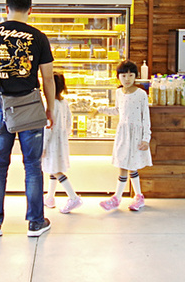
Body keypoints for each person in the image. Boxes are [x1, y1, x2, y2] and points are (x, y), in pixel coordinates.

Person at [0, 0, 56, 237]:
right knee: (32, 165)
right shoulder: (38, 37)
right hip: (30, 108)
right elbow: (48, 78)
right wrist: (50, 108)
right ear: (30, 10)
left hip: (2, 106)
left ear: (6, 8)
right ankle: (35, 222)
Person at [95, 60, 151, 212]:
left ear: (136, 76)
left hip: (136, 135)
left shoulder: (141, 94)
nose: (127, 79)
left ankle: (118, 198)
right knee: (126, 165)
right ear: (118, 77)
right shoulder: (119, 92)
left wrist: (146, 138)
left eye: (131, 75)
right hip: (122, 134)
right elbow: (117, 110)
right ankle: (137, 196)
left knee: (127, 166)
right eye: (124, 75)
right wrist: (100, 110)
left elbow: (145, 117)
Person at [42, 71, 82, 214]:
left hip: (51, 142)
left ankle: (73, 197)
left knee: (55, 170)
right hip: (61, 141)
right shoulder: (64, 102)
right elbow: (69, 122)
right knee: (53, 168)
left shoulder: (48, 105)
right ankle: (50, 197)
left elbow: (47, 128)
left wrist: (42, 147)